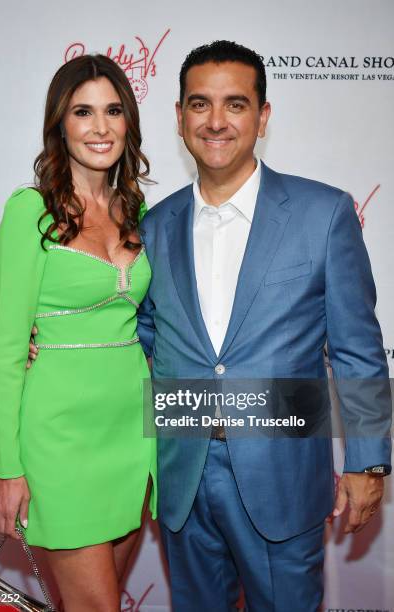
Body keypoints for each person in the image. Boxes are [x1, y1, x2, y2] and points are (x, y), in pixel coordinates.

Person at [136, 41, 392, 611]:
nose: (217, 121)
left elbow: (358, 349)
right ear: (179, 118)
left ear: (263, 116)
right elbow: (144, 337)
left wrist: (369, 460)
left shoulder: (322, 213)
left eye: (236, 104)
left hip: (282, 475)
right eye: (200, 104)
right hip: (184, 475)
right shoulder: (155, 225)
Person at [0, 54, 156, 612]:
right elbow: (10, 352)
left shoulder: (138, 212)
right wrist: (9, 471)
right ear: (60, 124)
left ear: (129, 121)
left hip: (135, 437)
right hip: (60, 440)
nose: (100, 127)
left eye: (113, 111)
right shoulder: (29, 212)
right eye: (83, 112)